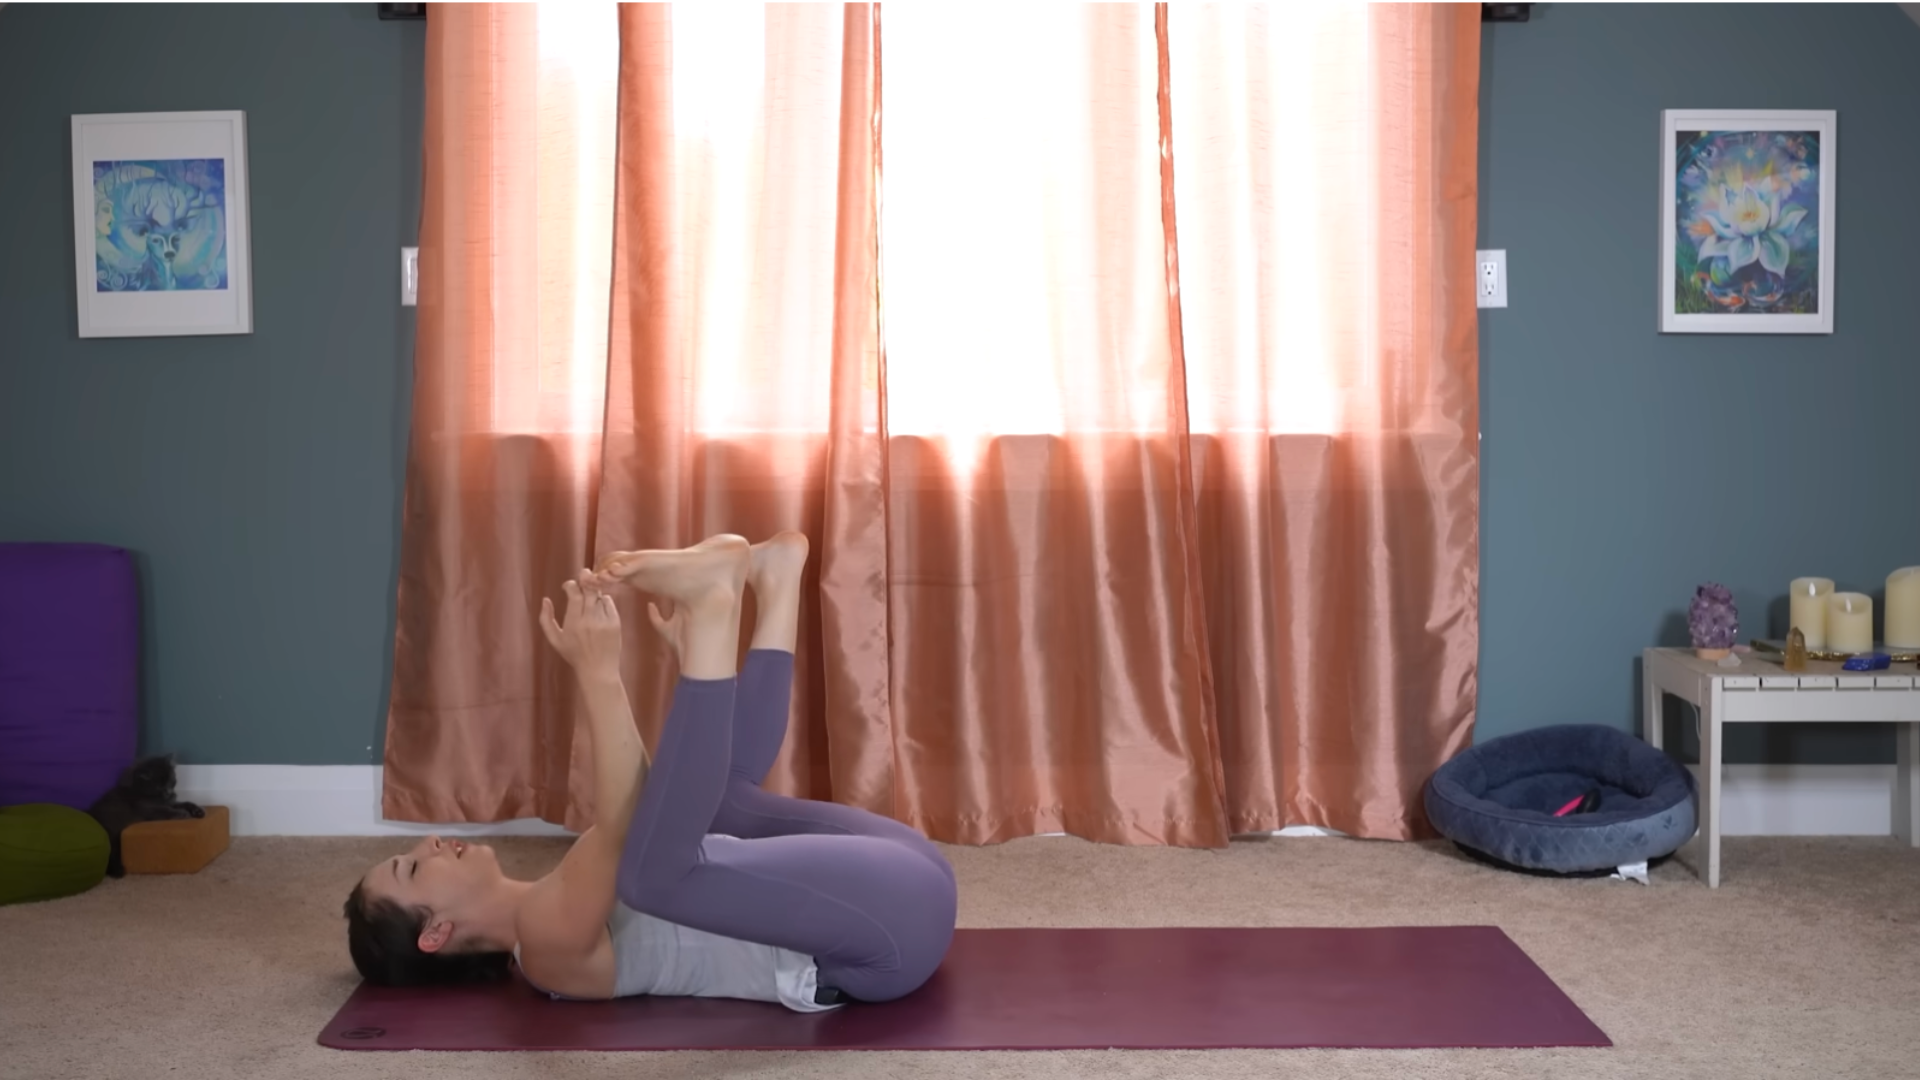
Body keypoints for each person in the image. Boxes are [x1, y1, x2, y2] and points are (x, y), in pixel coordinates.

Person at [343, 532, 957, 1010]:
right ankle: (724, 602)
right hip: (893, 924)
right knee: (651, 870)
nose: (428, 844)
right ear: (436, 934)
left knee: (700, 815)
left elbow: (647, 805)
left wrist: (687, 663)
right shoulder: (544, 951)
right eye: (413, 867)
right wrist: (597, 671)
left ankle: (771, 583)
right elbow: (629, 819)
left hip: (897, 896)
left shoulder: (561, 892)